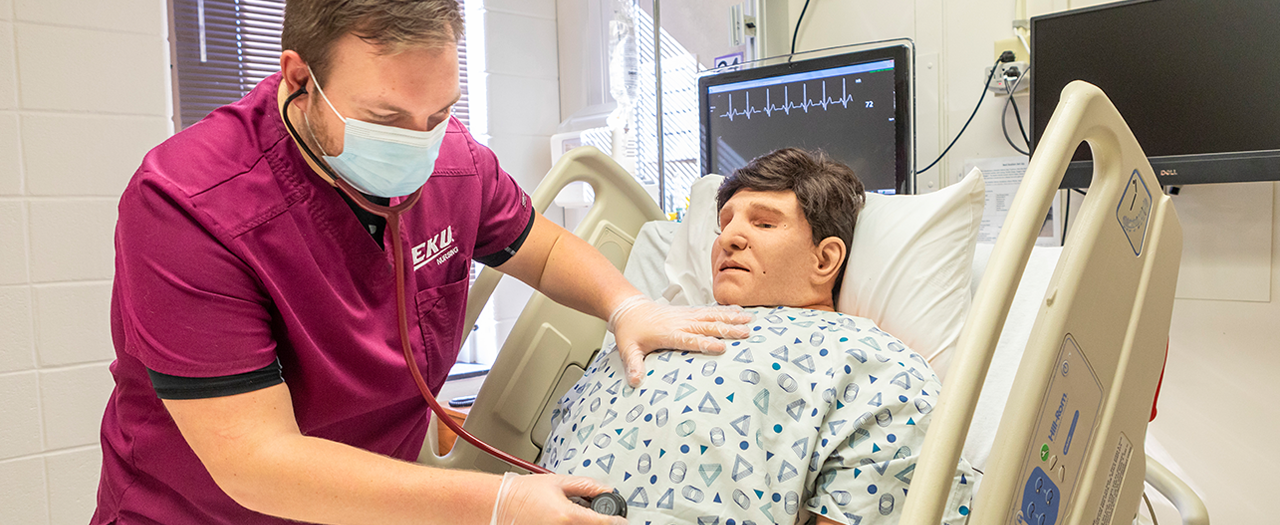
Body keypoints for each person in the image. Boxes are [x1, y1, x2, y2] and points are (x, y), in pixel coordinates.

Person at [94, 1, 751, 523]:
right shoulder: (187, 208)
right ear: (299, 79)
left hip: (375, 507)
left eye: (438, 113)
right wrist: (499, 501)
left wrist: (625, 304)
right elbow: (256, 461)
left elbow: (543, 249)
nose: (418, 147)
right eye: (386, 118)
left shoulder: (452, 162)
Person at [540, 148, 977, 524]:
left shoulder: (873, 366)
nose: (729, 237)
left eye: (764, 224)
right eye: (723, 224)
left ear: (825, 259)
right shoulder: (649, 325)